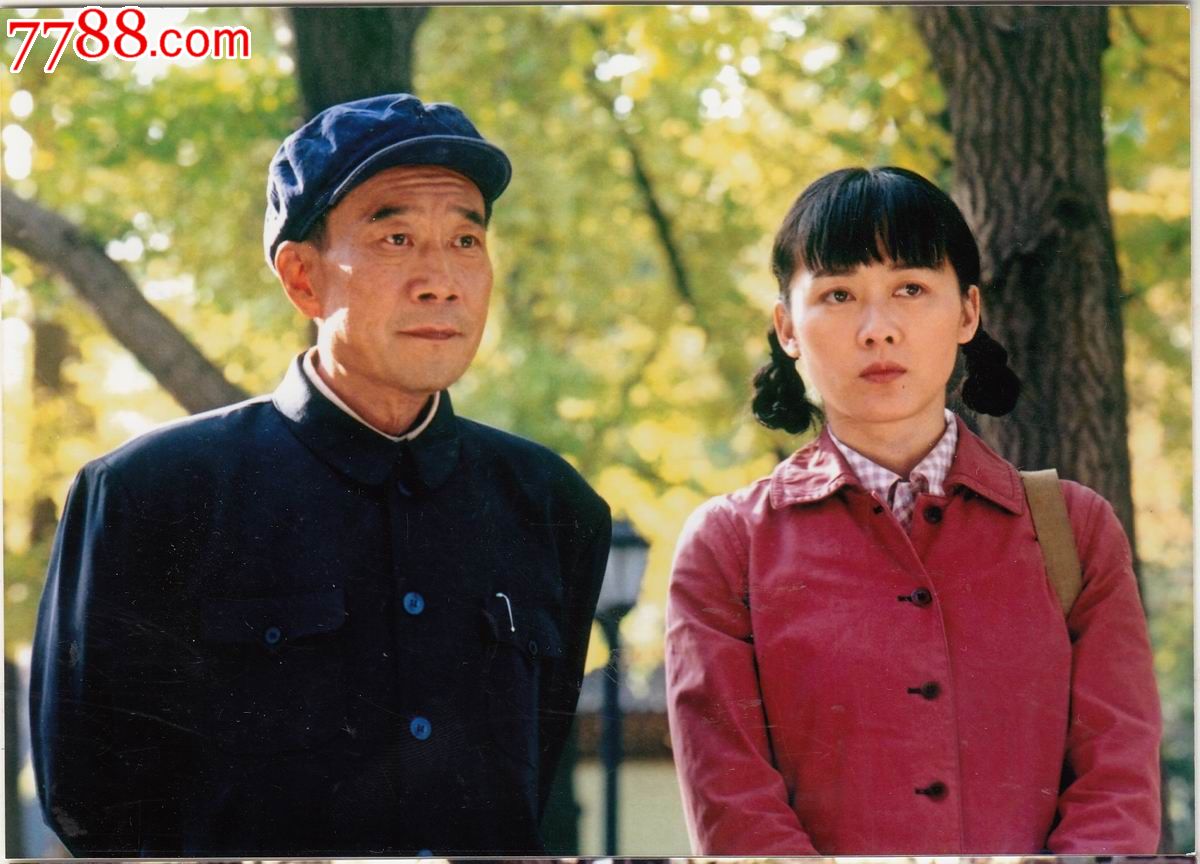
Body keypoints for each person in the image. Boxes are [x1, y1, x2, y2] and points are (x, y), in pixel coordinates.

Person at [30, 93, 612, 857]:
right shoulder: (151, 494)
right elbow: (91, 804)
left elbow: (534, 788)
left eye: (466, 240)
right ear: (302, 278)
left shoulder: (552, 504)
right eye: (396, 237)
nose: (441, 280)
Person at [664, 166, 1161, 855]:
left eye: (910, 289)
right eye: (839, 294)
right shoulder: (728, 547)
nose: (878, 330)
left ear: (967, 313)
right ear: (787, 328)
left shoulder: (1073, 531)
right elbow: (734, 808)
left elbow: (1117, 787)